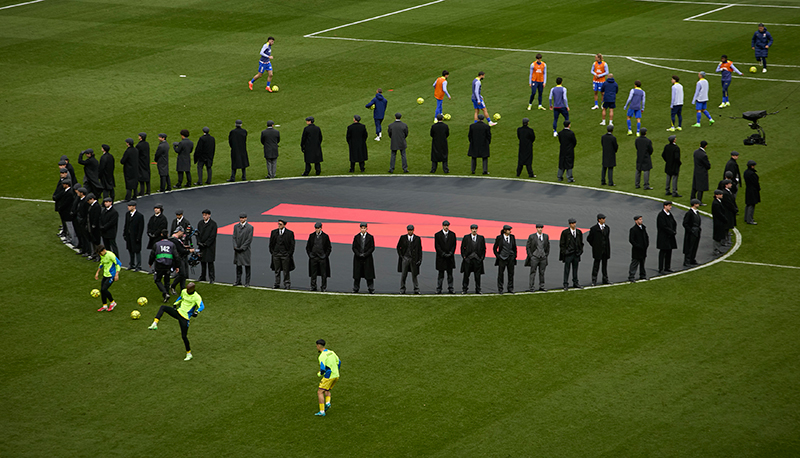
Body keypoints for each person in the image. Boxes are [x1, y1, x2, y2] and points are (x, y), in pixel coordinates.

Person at [148, 282, 205, 362]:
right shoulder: (184, 291)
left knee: (184, 336)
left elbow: (202, 306)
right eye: (187, 288)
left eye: (189, 289)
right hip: (178, 312)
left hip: (185, 318)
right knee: (163, 307)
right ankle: (155, 323)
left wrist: (197, 312)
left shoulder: (196, 297)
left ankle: (189, 354)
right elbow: (181, 297)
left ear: (192, 289)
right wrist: (175, 303)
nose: (187, 290)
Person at [314, 339, 340, 416]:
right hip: (336, 375)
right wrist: (335, 370)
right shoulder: (331, 352)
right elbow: (339, 362)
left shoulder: (322, 356)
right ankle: (328, 403)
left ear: (318, 346)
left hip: (329, 376)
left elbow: (322, 368)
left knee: (320, 392)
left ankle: (322, 411)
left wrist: (320, 374)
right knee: (327, 389)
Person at [148, 229, 175, 301]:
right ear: (168, 234)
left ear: (161, 235)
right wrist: (177, 265)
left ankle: (165, 293)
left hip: (159, 265)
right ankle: (166, 297)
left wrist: (150, 262)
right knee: (167, 281)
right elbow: (176, 256)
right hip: (168, 265)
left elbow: (152, 255)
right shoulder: (171, 244)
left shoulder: (157, 244)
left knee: (157, 280)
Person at [94, 244, 121, 312]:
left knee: (104, 289)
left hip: (111, 275)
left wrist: (116, 274)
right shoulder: (102, 255)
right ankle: (105, 306)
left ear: (103, 250)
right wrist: (97, 272)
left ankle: (113, 302)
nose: (100, 254)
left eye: (100, 253)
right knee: (102, 290)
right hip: (105, 275)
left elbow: (118, 263)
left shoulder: (110, 255)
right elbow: (102, 263)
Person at [396, 224, 423, 294]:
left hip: (413, 259)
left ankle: (416, 289)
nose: (410, 232)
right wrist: (401, 256)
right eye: (409, 230)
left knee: (414, 274)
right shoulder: (403, 238)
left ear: (413, 230)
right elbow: (398, 247)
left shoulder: (417, 239)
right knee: (403, 275)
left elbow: (420, 250)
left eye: (411, 230)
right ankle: (402, 289)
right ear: (407, 230)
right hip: (405, 258)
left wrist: (420, 259)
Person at [586, 213, 611, 286]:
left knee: (604, 266)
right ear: (599, 220)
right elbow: (589, 239)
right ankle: (594, 280)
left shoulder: (607, 228)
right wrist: (595, 246)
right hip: (598, 250)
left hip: (605, 250)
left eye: (604, 218)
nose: (604, 220)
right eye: (603, 219)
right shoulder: (594, 229)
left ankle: (605, 279)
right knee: (596, 266)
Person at [270, 219, 295, 289]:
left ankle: (287, 284)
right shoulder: (274, 232)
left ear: (284, 225)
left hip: (285, 255)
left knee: (286, 270)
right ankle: (277, 283)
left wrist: (289, 254)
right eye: (278, 224)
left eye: (280, 224)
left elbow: (292, 245)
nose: (279, 225)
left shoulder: (290, 233)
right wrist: (273, 252)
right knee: (277, 270)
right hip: (276, 254)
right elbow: (271, 244)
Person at [460, 224, 486, 294]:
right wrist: (465, 257)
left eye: (475, 229)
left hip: (477, 260)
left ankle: (478, 289)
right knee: (466, 275)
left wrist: (482, 258)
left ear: (477, 229)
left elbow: (484, 248)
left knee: (477, 276)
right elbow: (462, 248)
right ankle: (464, 289)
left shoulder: (481, 238)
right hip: (468, 260)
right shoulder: (466, 237)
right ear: (470, 229)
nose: (474, 230)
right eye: (473, 229)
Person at [306, 222, 331, 292]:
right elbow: (308, 247)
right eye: (316, 228)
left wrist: (325, 256)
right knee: (313, 273)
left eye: (318, 228)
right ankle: (313, 286)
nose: (316, 230)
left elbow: (329, 247)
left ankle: (323, 287)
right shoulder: (311, 236)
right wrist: (310, 255)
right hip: (314, 257)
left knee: (324, 273)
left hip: (322, 258)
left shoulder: (325, 236)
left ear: (321, 228)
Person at [559, 218, 584, 290]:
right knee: (567, 269)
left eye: (574, 223)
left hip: (576, 254)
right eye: (572, 223)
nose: (574, 225)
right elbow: (562, 244)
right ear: (569, 224)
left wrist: (580, 251)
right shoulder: (565, 233)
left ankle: (575, 282)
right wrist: (565, 252)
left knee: (575, 269)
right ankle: (565, 284)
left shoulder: (579, 232)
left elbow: (581, 243)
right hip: (568, 254)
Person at [434, 220, 457, 294]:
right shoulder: (437, 235)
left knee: (450, 274)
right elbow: (437, 246)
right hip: (441, 258)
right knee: (441, 274)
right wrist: (443, 254)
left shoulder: (452, 234)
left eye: (447, 225)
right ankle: (439, 288)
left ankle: (451, 288)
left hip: (450, 258)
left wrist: (451, 253)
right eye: (445, 225)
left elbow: (454, 245)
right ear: (442, 226)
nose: (446, 227)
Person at [352, 223, 376, 294]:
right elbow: (354, 247)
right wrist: (358, 254)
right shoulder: (356, 237)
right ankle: (356, 288)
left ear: (366, 229)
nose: (363, 229)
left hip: (367, 258)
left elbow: (372, 247)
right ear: (360, 229)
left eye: (364, 228)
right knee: (357, 274)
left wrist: (365, 254)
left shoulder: (370, 237)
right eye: (362, 228)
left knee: (369, 274)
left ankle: (370, 288)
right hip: (358, 258)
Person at [525, 224, 549, 291]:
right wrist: (531, 256)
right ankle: (531, 287)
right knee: (533, 272)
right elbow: (528, 247)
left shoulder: (545, 236)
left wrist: (546, 254)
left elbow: (547, 246)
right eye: (539, 228)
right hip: (535, 257)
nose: (540, 229)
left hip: (543, 257)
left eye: (541, 228)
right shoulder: (532, 236)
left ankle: (542, 286)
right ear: (536, 229)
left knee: (542, 272)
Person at [493, 225, 517, 294]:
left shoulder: (512, 237)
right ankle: (500, 289)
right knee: (501, 274)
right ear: (505, 231)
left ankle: (510, 288)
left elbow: (514, 247)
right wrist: (498, 256)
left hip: (510, 258)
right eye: (508, 230)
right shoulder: (499, 238)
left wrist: (514, 256)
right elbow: (495, 248)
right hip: (502, 259)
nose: (510, 231)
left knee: (511, 274)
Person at [168, 226, 191, 295]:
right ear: (179, 232)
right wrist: (189, 250)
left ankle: (183, 289)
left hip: (179, 258)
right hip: (178, 259)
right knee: (182, 274)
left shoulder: (173, 239)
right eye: (182, 233)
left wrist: (184, 247)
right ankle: (173, 286)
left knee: (183, 274)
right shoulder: (175, 240)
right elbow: (181, 250)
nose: (183, 235)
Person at [656, 201, 678, 274]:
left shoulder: (669, 214)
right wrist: (672, 232)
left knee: (669, 252)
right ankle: (661, 268)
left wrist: (673, 231)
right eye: (669, 205)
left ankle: (667, 267)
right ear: (665, 206)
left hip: (670, 236)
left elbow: (674, 223)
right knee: (663, 252)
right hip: (664, 237)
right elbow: (663, 226)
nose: (670, 207)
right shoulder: (661, 215)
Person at [196, 209, 217, 284]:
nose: (204, 216)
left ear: (209, 215)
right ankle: (203, 276)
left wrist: (206, 244)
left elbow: (212, 236)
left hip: (209, 247)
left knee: (210, 262)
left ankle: (211, 278)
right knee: (202, 262)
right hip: (201, 246)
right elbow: (197, 233)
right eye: (203, 215)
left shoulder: (213, 224)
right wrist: (199, 242)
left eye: (205, 215)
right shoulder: (200, 223)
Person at [232, 213, 253, 287]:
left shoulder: (250, 227)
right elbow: (234, 237)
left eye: (243, 218)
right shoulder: (236, 226)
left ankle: (247, 282)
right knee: (238, 266)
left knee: (247, 266)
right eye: (240, 218)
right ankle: (238, 280)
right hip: (237, 249)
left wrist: (242, 247)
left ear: (246, 218)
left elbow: (249, 239)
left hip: (245, 250)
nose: (241, 219)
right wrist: (235, 246)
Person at [123, 200, 144, 271]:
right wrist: (124, 234)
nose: (128, 207)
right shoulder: (127, 214)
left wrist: (138, 237)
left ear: (134, 207)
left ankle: (138, 265)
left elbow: (141, 228)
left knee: (137, 251)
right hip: (129, 236)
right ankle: (131, 264)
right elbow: (126, 225)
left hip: (135, 237)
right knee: (130, 250)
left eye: (130, 206)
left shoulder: (139, 216)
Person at [628, 215, 649, 282]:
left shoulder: (643, 228)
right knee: (634, 263)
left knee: (642, 263)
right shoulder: (633, 229)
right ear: (636, 221)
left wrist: (646, 245)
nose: (641, 220)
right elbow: (631, 240)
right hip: (637, 250)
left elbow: (646, 237)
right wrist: (638, 246)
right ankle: (631, 276)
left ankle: (642, 275)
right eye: (640, 219)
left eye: (641, 219)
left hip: (643, 249)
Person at [682, 199, 702, 266]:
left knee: (695, 246)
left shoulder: (696, 212)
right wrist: (690, 230)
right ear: (694, 204)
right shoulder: (689, 213)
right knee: (689, 247)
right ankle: (687, 261)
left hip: (696, 231)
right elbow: (685, 223)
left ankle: (692, 259)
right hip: (691, 233)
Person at [691, 140, 711, 205]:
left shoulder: (695, 152)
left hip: (696, 171)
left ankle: (692, 198)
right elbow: (707, 165)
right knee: (701, 187)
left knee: (695, 186)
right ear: (705, 146)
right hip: (702, 172)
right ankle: (699, 201)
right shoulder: (703, 155)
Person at [711, 189, 728, 255]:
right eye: (720, 194)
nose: (722, 195)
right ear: (716, 195)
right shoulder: (716, 203)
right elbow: (719, 213)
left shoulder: (718, 202)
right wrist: (724, 219)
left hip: (719, 222)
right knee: (717, 237)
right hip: (718, 222)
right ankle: (715, 250)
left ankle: (717, 249)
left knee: (719, 236)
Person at [86, 193, 102, 261]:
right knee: (93, 240)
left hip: (95, 227)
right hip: (92, 226)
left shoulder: (97, 206)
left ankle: (98, 255)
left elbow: (96, 217)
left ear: (92, 199)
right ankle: (94, 254)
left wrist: (94, 225)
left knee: (96, 241)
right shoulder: (93, 206)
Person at [743, 160, 760, 225]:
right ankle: (749, 219)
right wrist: (758, 188)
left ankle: (746, 217)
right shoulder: (752, 174)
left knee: (748, 204)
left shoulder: (746, 172)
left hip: (748, 189)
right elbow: (756, 183)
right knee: (751, 204)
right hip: (753, 190)